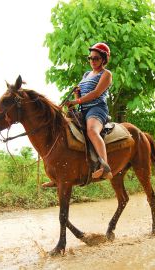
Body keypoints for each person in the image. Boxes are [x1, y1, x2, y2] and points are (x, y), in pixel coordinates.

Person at [42, 42, 113, 188]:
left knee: (92, 131)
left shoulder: (106, 74)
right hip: (83, 109)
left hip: (97, 109)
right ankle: (58, 177)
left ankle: (105, 167)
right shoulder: (87, 74)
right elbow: (83, 93)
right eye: (90, 58)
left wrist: (76, 101)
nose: (92, 61)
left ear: (104, 59)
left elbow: (96, 93)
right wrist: (77, 93)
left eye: (96, 58)